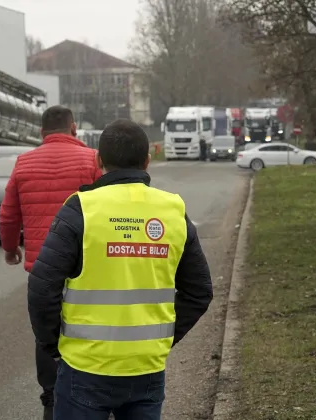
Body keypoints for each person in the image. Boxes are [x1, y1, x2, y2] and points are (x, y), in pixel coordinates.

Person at [27, 119, 213, 420]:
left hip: (85, 366)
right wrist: (162, 339)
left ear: (99, 160)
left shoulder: (80, 208)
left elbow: (41, 288)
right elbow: (200, 291)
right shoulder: (173, 211)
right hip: (146, 368)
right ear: (147, 161)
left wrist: (53, 346)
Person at [0, 105, 102, 420]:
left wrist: (10, 249)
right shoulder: (92, 160)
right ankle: (91, 394)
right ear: (74, 128)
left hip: (43, 268)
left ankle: (51, 400)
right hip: (85, 266)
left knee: (46, 331)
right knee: (87, 329)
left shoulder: (24, 162)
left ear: (42, 133)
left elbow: (8, 214)